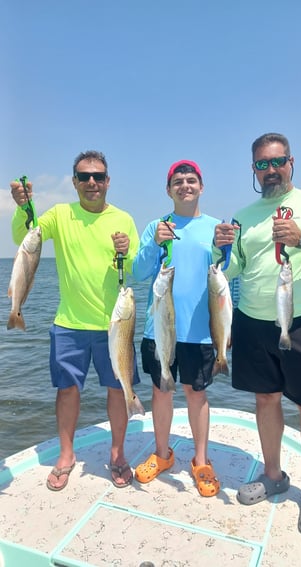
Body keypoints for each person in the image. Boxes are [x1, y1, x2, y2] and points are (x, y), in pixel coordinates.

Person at [10, 150, 140, 491]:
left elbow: (137, 267)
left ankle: (117, 454)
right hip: (69, 323)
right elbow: (24, 238)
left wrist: (126, 251)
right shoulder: (59, 215)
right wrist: (23, 207)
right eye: (84, 177)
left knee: (118, 389)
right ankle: (66, 454)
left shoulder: (124, 219)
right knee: (67, 390)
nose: (92, 182)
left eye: (98, 176)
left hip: (115, 324)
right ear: (74, 182)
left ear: (108, 181)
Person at [213, 133, 301, 536]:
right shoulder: (242, 215)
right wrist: (220, 251)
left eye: (277, 161)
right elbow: (235, 268)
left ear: (292, 161)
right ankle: (274, 474)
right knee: (265, 399)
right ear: (253, 169)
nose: (270, 170)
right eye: (262, 164)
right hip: (252, 320)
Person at [132, 160, 221, 497]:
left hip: (199, 331)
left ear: (201, 186)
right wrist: (154, 242)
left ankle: (200, 461)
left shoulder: (215, 227)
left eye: (191, 180)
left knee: (197, 395)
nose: (185, 185)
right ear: (168, 190)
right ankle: (163, 453)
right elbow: (140, 273)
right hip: (160, 329)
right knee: (161, 391)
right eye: (178, 181)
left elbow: (227, 275)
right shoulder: (157, 225)